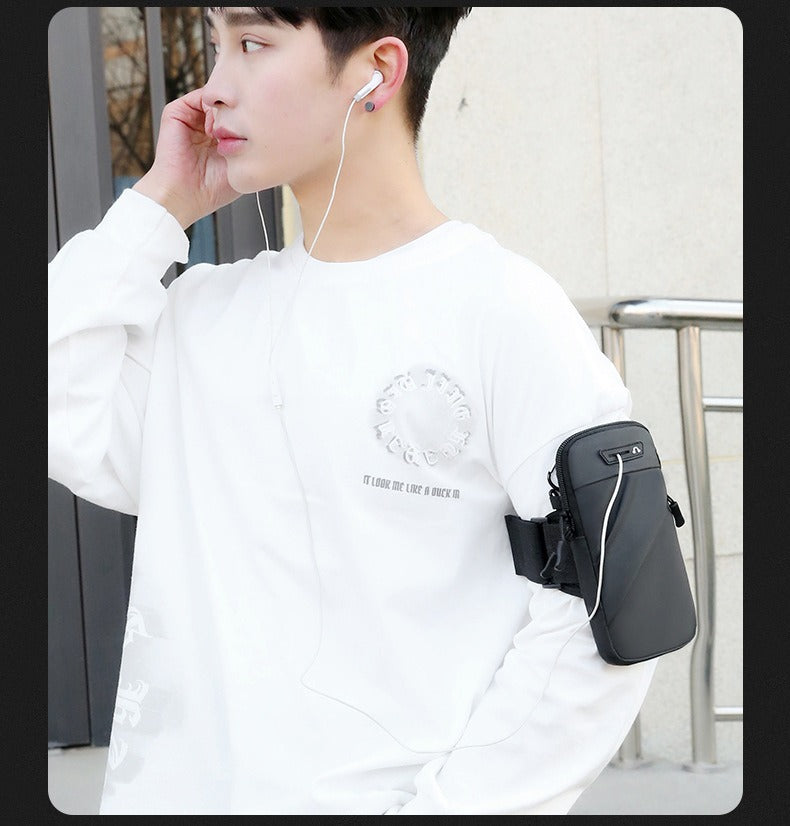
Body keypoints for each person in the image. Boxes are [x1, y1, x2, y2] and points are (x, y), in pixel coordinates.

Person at [48, 7, 658, 815]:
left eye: (252, 44)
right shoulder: (198, 317)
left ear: (378, 71)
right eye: (215, 46)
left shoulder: (503, 312)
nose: (212, 89)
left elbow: (620, 609)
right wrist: (159, 203)